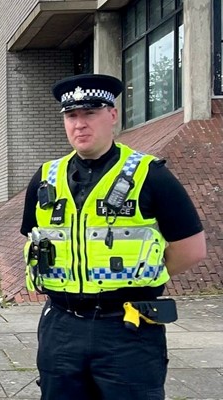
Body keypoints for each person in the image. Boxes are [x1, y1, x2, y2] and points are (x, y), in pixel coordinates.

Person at [20, 73, 207, 400]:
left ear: (112, 115)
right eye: (71, 115)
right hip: (61, 326)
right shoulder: (45, 178)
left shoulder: (151, 175)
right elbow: (33, 238)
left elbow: (191, 249)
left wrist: (138, 274)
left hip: (127, 328)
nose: (80, 124)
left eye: (90, 113)